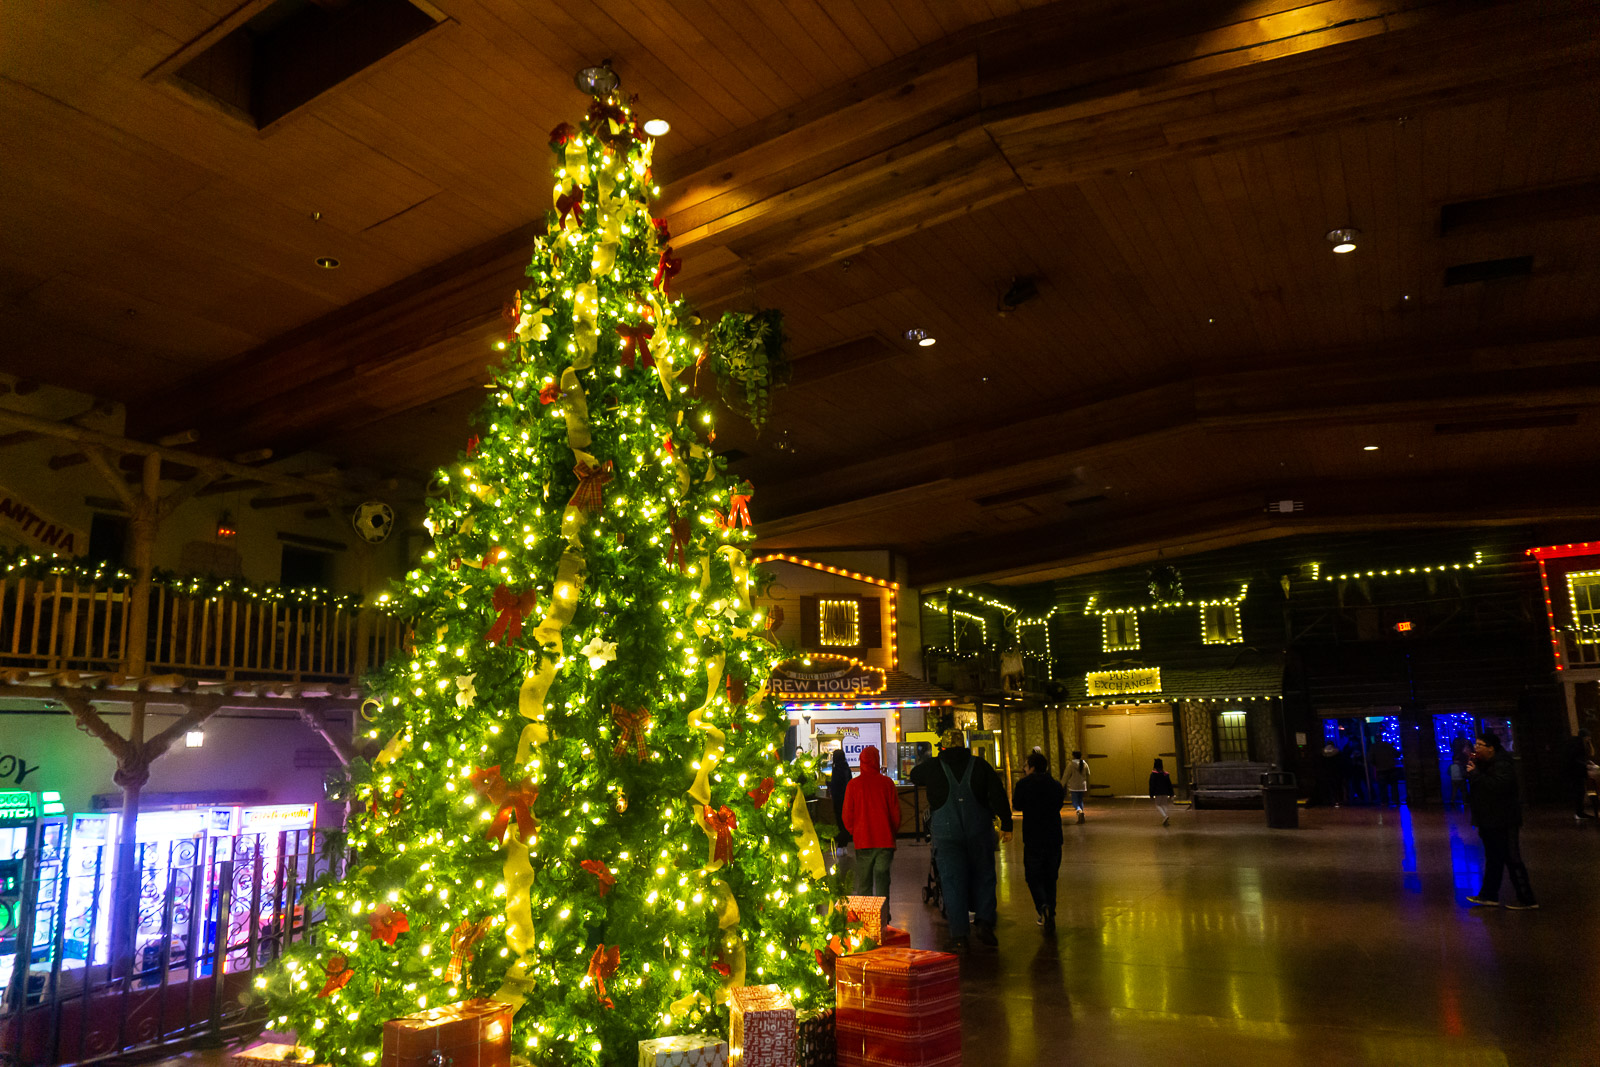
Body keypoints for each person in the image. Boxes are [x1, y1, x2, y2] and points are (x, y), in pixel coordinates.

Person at [910, 727, 1014, 951]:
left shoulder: (934, 766)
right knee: (985, 876)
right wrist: (1007, 824)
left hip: (946, 835)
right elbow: (997, 793)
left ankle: (959, 936)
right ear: (963, 745)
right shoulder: (980, 765)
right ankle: (985, 924)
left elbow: (914, 776)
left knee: (953, 882)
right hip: (979, 830)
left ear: (944, 746)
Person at [1464, 730, 1538, 910]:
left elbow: (1498, 787)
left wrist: (1475, 775)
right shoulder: (1484, 763)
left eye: (1480, 745)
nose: (1476, 748)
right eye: (1476, 745)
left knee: (1512, 858)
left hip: (1503, 819)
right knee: (1493, 857)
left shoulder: (1502, 764)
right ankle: (1489, 895)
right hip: (1489, 819)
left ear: (1491, 748)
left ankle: (1527, 899)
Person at [841, 744, 901, 921]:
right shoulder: (887, 783)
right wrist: (891, 832)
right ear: (877, 760)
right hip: (884, 841)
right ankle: (883, 918)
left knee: (864, 882)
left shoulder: (853, 785)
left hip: (863, 841)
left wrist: (856, 831)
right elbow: (896, 814)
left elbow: (846, 816)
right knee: (882, 880)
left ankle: (865, 919)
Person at [1010, 750, 1065, 927]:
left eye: (1025, 766)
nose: (1024, 769)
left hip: (1033, 837)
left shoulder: (1023, 784)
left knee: (1033, 876)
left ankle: (1042, 905)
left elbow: (1017, 805)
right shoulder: (1055, 784)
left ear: (1032, 767)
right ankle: (1051, 911)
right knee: (1051, 877)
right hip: (1054, 836)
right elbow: (1058, 804)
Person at [1562, 729, 1596, 821]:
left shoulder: (1574, 743)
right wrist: (1586, 765)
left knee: (1579, 792)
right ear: (1585, 737)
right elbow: (1575, 759)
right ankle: (1579, 812)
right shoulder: (1578, 744)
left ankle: (1579, 812)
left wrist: (1586, 762)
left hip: (1573, 772)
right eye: (1588, 737)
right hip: (1576, 772)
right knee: (1579, 792)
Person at [829, 749, 853, 850]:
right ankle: (844, 846)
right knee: (845, 822)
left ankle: (841, 846)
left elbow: (836, 784)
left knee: (840, 821)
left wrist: (828, 784)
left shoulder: (836, 768)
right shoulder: (846, 768)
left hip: (838, 799)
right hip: (847, 798)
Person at [1368, 737, 1401, 807]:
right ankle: (1396, 800)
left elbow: (1370, 759)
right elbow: (1397, 754)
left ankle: (1384, 802)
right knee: (1394, 786)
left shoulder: (1373, 747)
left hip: (1381, 769)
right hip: (1391, 768)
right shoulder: (1388, 745)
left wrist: (1376, 764)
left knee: (1383, 787)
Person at [1063, 750, 1090, 823]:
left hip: (1074, 786)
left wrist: (1062, 784)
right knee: (1080, 800)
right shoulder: (1084, 763)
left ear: (1073, 756)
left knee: (1075, 802)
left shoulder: (1071, 765)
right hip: (1082, 785)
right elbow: (1088, 773)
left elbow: (1066, 775)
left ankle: (1079, 811)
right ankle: (1081, 816)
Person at [1149, 757, 1174, 826]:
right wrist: (1171, 794)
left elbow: (1152, 785)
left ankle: (1165, 816)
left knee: (1157, 805)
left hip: (1158, 792)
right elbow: (1169, 784)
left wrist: (1151, 794)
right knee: (1164, 805)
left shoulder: (1153, 775)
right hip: (1165, 792)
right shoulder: (1165, 774)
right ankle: (1166, 819)